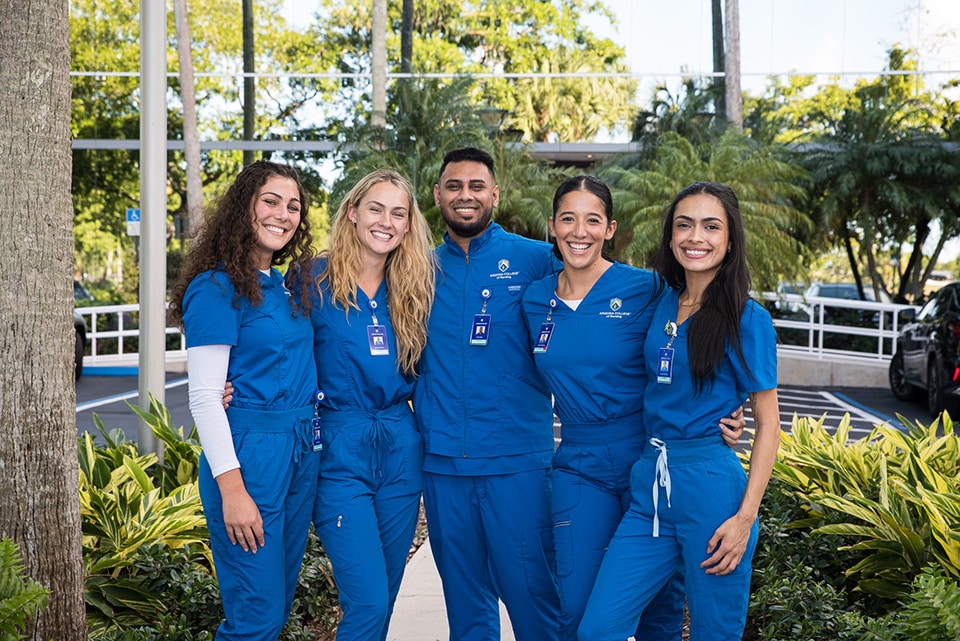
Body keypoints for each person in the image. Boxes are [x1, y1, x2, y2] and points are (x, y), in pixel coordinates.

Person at [521, 175, 745, 641]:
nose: (579, 231)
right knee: (579, 611)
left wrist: (724, 409)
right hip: (580, 462)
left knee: (660, 614)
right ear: (552, 227)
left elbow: (701, 336)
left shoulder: (648, 289)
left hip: (651, 456)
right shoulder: (533, 299)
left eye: (592, 220)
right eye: (568, 219)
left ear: (610, 229)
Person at [577, 181, 781, 641]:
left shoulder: (748, 319)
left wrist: (745, 519)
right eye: (684, 225)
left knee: (715, 631)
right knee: (598, 628)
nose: (696, 237)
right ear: (670, 236)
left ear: (730, 241)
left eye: (712, 227)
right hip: (649, 481)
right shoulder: (661, 300)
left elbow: (769, 426)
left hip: (711, 489)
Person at [412, 147, 561, 641]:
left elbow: (617, 313)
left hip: (516, 464)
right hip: (443, 466)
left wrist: (707, 391)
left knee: (533, 598)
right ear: (437, 196)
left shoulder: (537, 260)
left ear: (495, 195)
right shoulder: (417, 269)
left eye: (476, 186)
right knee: (466, 606)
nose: (465, 195)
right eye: (454, 186)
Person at [169, 160, 320, 641]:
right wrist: (233, 492)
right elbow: (205, 399)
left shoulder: (286, 284)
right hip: (250, 460)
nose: (284, 214)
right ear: (243, 208)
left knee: (273, 611)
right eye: (271, 201)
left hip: (300, 449)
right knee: (254, 617)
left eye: (293, 206)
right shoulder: (216, 287)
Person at [305, 169, 435, 641]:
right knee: (367, 599)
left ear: (407, 225)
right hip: (340, 449)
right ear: (353, 212)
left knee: (387, 593)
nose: (386, 221)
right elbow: (265, 335)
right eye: (376, 208)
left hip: (401, 448)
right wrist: (232, 383)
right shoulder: (309, 280)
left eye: (398, 213)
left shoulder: (415, 287)